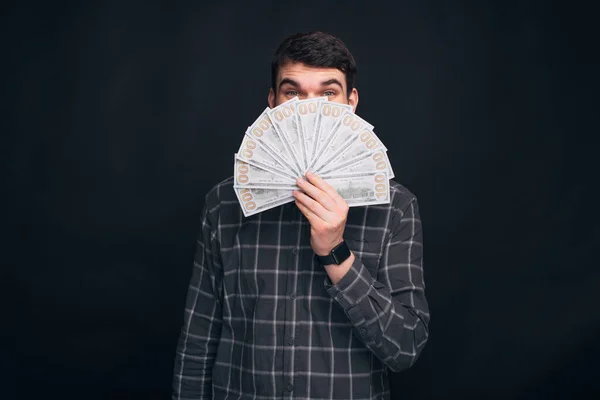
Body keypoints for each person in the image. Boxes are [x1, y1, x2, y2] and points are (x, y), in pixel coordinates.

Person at [172, 31, 430, 400]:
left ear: (351, 103)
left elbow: (405, 348)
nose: (310, 110)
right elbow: (198, 340)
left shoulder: (394, 208)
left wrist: (337, 253)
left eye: (328, 93)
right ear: (272, 103)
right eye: (293, 93)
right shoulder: (224, 204)